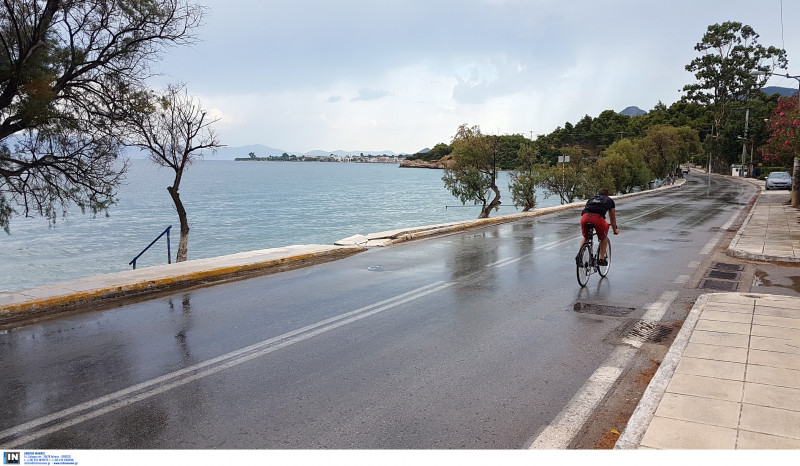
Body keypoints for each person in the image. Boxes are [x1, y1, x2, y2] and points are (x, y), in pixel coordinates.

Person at [577, 188, 619, 266]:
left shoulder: (591, 199)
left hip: (585, 218)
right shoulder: (609, 201)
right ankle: (601, 259)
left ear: (598, 193)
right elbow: (612, 218)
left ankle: (579, 255)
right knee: (603, 238)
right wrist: (615, 230)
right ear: (607, 195)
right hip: (597, 219)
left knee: (586, 238)